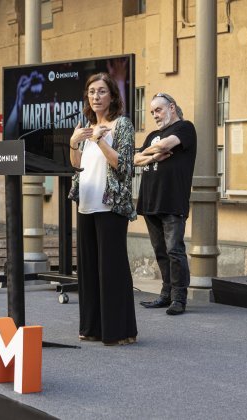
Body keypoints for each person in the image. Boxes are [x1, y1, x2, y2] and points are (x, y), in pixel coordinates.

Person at [67, 73, 138, 346]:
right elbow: (77, 165)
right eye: (92, 92)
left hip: (110, 206)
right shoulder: (85, 127)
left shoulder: (121, 125)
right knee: (88, 271)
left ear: (112, 96)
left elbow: (124, 165)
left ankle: (119, 330)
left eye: (101, 92)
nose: (96, 97)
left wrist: (99, 140)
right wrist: (74, 142)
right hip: (86, 204)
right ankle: (92, 327)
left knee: (112, 269)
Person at [134, 93, 197, 315]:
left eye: (158, 110)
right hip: (150, 200)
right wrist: (152, 157)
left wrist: (152, 151)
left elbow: (166, 145)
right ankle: (166, 294)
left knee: (174, 250)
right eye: (152, 112)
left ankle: (179, 298)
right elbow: (136, 159)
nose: (154, 115)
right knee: (160, 251)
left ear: (172, 107)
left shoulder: (185, 128)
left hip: (172, 199)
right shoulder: (152, 134)